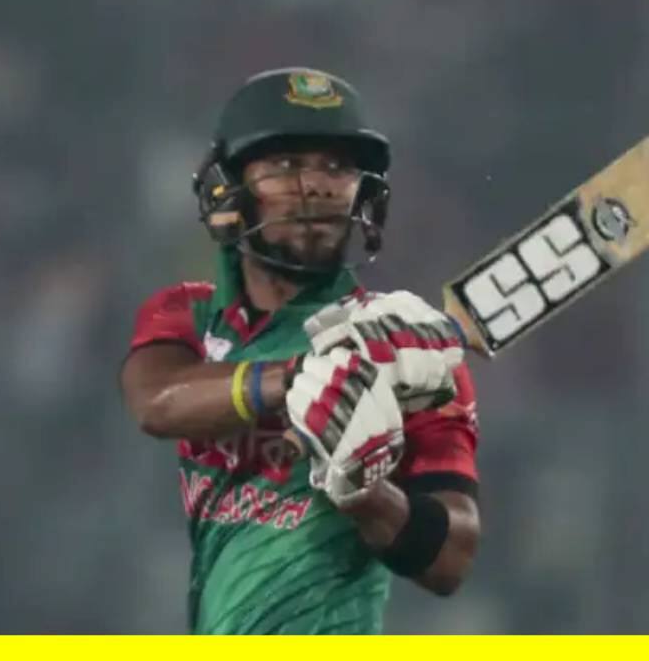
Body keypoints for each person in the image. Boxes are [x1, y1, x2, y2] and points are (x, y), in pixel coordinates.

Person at [120, 68, 481, 634]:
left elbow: (451, 559)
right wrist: (301, 379)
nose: (315, 186)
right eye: (285, 165)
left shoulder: (406, 350)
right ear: (226, 188)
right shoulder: (188, 314)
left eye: (336, 167)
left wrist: (365, 494)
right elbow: (156, 402)